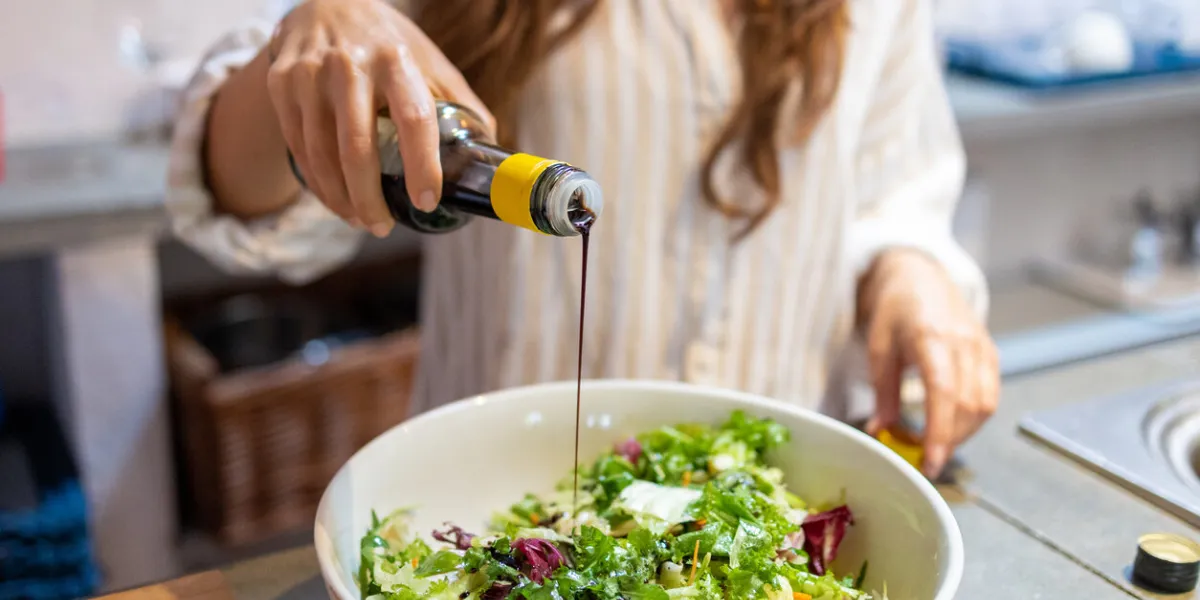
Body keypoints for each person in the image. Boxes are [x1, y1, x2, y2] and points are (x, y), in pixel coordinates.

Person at [167, 0, 999, 477]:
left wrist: (907, 273)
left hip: (772, 507)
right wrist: (306, 44)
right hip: (499, 510)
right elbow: (248, 213)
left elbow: (893, 188)